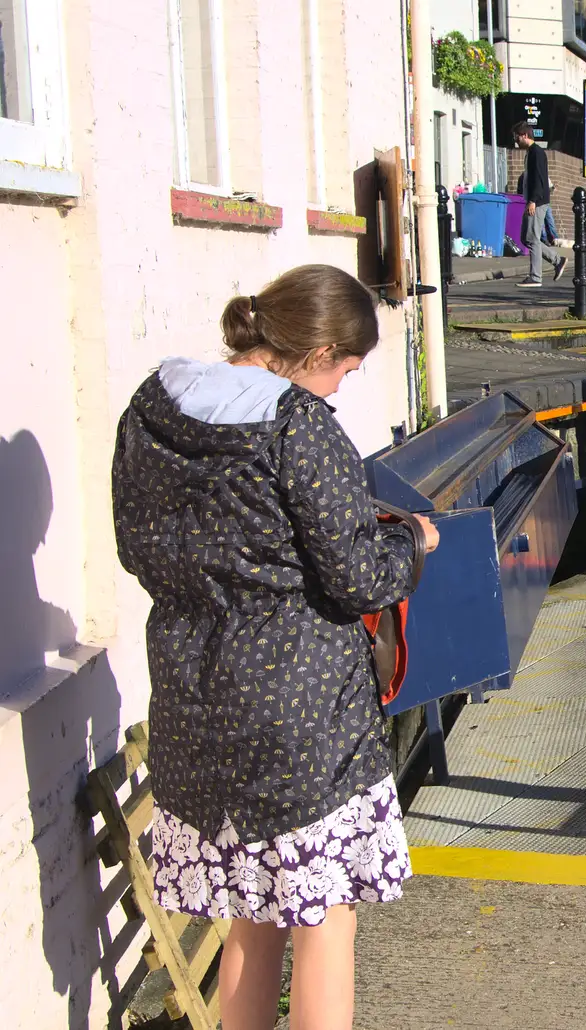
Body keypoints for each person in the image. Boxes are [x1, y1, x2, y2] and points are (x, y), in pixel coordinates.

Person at [111, 265, 441, 1030]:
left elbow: (136, 551)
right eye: (346, 370)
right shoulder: (300, 426)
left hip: (196, 706)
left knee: (249, 922)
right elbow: (358, 577)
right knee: (324, 921)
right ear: (320, 346)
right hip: (302, 719)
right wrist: (411, 546)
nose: (338, 389)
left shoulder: (149, 410)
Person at [512, 121, 567, 287]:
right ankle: (557, 260)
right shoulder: (531, 152)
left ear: (525, 135)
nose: (516, 141)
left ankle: (535, 277)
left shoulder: (536, 153)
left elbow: (539, 179)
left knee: (532, 238)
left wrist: (533, 200)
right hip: (533, 200)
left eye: (517, 137)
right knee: (526, 237)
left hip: (537, 201)